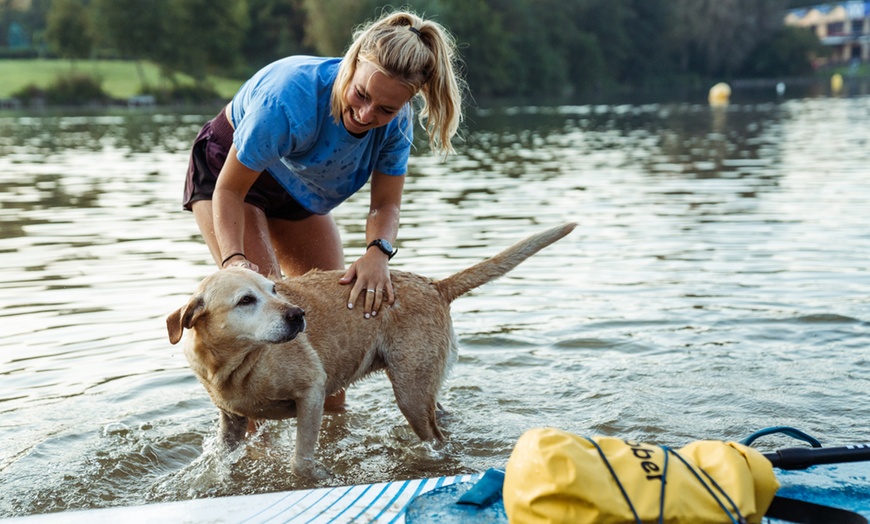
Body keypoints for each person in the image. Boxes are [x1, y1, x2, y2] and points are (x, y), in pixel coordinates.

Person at [182, 10, 464, 411]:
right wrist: (234, 262)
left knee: (328, 337)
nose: (367, 115)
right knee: (269, 331)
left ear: (406, 102)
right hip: (228, 178)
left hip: (298, 193)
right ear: (351, 63)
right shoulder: (288, 98)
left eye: (385, 109)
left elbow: (386, 204)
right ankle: (258, 447)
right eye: (361, 95)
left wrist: (378, 253)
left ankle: (336, 442)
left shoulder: (396, 126)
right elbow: (229, 190)